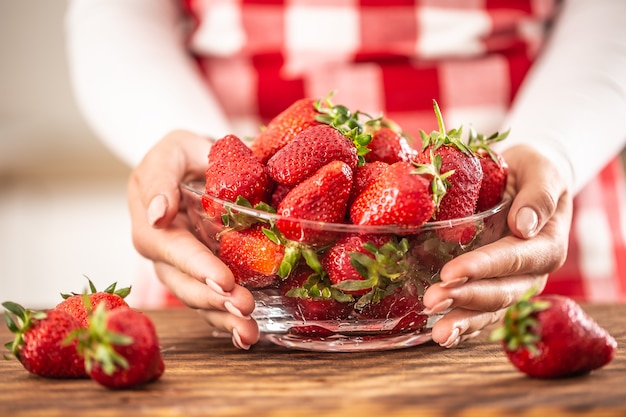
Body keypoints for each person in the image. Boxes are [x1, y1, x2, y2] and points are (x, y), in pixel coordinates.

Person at [65, 0, 626, 350]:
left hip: (501, 192)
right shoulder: (248, 189)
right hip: (224, 218)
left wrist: (555, 147)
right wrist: (183, 146)